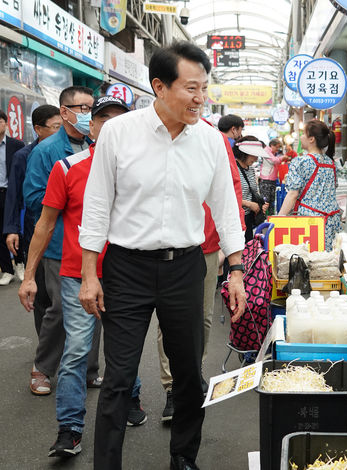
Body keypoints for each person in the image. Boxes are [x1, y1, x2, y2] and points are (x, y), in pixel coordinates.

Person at [78, 41, 247, 470]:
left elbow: (227, 210)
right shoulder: (119, 134)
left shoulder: (210, 141)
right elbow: (96, 207)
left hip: (186, 268)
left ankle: (184, 458)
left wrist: (237, 271)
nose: (199, 98)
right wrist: (88, 274)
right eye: (191, 88)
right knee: (117, 378)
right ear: (159, 86)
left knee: (189, 373)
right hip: (126, 268)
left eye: (204, 88)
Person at [18, 96, 147, 459]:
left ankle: (131, 397)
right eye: (101, 118)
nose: (109, 125)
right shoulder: (67, 167)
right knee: (76, 351)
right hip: (77, 275)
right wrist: (29, 276)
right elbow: (44, 224)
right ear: (91, 126)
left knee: (124, 347)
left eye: (118, 119)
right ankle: (69, 429)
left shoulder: (142, 170)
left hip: (128, 275)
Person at [157, 113, 246, 424]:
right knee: (168, 320)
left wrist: (230, 250)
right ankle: (173, 388)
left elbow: (232, 193)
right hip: (165, 247)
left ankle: (192, 374)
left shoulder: (214, 139)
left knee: (203, 318)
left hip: (208, 246)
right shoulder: (155, 132)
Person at [23, 86, 102, 396]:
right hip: (60, 245)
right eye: (81, 108)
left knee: (95, 307)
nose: (87, 114)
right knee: (60, 310)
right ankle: (41, 368)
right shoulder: (46, 151)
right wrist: (68, 200)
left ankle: (89, 370)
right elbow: (33, 200)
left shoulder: (99, 148)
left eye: (90, 108)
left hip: (95, 245)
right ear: (65, 111)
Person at [4, 105, 62, 283]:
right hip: (34, 223)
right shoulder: (24, 155)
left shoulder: (66, 149)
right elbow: (13, 193)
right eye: (56, 127)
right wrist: (12, 229)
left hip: (62, 226)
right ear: (38, 129)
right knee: (40, 276)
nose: (60, 132)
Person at [278, 120, 342, 249]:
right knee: (328, 262)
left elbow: (292, 194)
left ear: (311, 139)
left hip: (309, 221)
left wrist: (279, 219)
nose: (301, 137)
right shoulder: (331, 163)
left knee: (308, 261)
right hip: (332, 219)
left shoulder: (301, 161)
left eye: (303, 134)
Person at [0, 110, 26, 285]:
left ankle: (20, 264)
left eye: (0, 121)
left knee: (14, 229)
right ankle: (7, 270)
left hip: (11, 193)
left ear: (6, 123)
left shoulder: (16, 145)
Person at [234, 136, 270, 241]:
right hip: (236, 219)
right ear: (244, 153)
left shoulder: (250, 170)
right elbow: (226, 197)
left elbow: (253, 192)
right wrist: (249, 204)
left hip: (248, 218)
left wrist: (260, 205)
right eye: (253, 155)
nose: (256, 159)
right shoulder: (232, 169)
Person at [258, 137, 284, 215]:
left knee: (271, 201)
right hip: (266, 179)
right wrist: (283, 158)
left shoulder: (272, 153)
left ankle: (270, 218)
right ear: (272, 145)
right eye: (277, 147)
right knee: (266, 202)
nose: (277, 149)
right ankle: (264, 218)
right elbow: (273, 161)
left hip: (271, 180)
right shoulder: (266, 151)